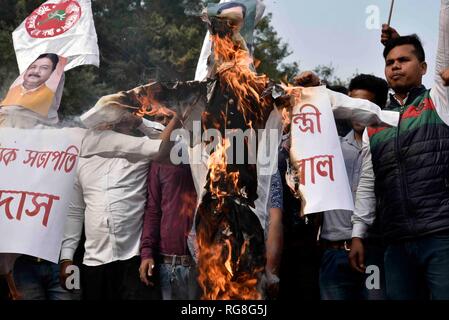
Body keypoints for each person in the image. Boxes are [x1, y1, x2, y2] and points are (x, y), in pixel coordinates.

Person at [350, 0, 449, 300]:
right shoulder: (375, 121)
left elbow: (445, 41)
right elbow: (368, 183)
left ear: (424, 67)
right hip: (395, 243)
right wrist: (357, 234)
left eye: (404, 60)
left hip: (441, 236)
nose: (395, 66)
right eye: (390, 61)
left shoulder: (439, 103)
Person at [59, 109, 181, 300]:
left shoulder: (140, 151)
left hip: (134, 260)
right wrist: (66, 257)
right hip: (94, 261)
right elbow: (75, 212)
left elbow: (168, 142)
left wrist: (140, 122)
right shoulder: (81, 160)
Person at [319, 74, 388, 300]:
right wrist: (314, 87)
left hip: (374, 253)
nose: (356, 112)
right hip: (334, 253)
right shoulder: (330, 148)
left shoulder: (388, 147)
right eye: (351, 105)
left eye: (364, 106)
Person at [139, 136, 200, 300]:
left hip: (205, 265)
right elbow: (153, 210)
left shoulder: (215, 154)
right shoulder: (161, 160)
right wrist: (146, 252)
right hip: (169, 265)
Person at [1, 53, 60, 119]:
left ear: (51, 73)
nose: (36, 71)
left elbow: (23, 114)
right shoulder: (14, 89)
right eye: (33, 67)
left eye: (44, 68)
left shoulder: (49, 95)